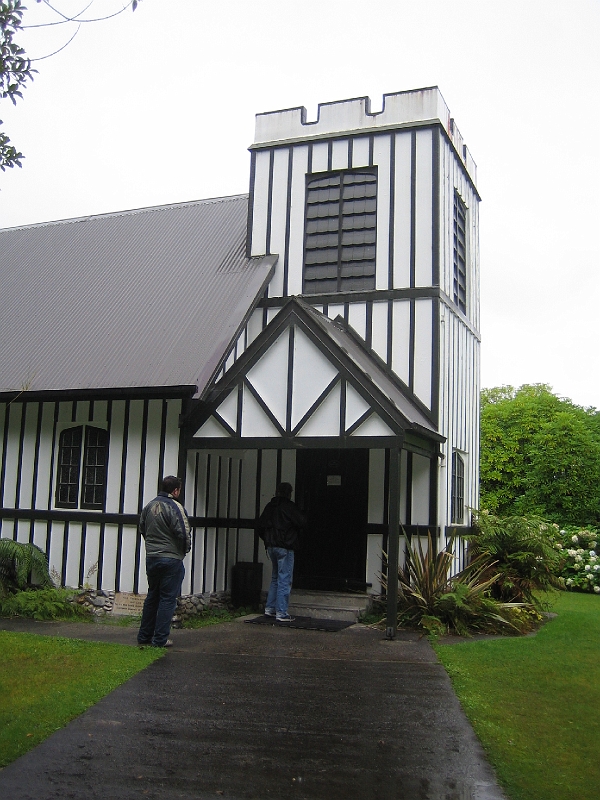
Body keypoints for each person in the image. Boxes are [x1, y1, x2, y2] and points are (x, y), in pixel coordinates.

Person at [137, 475, 191, 648]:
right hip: (171, 559)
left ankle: (144, 635)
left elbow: (142, 528)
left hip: (152, 558)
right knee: (168, 599)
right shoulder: (175, 507)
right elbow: (183, 532)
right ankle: (160, 639)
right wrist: (184, 550)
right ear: (175, 491)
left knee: (152, 596)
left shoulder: (149, 506)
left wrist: (153, 548)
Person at [258, 482, 305, 623]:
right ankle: (281, 612)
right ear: (289, 493)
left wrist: (267, 539)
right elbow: (302, 522)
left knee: (275, 578)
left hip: (271, 546)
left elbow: (260, 525)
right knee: (284, 578)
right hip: (285, 546)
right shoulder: (290, 507)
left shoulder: (270, 506)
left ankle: (269, 609)